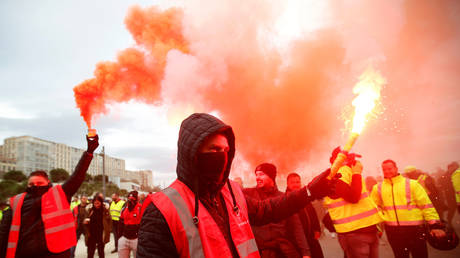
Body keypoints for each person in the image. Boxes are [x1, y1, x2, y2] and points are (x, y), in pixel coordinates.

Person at [137, 113, 334, 257]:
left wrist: (309, 191)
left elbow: (269, 209)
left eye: (226, 150)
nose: (222, 156)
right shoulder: (161, 209)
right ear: (193, 153)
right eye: (214, 149)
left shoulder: (231, 191)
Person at [0, 134, 98, 258]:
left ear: (48, 183)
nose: (35, 186)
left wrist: (89, 152)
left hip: (55, 254)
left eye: (39, 183)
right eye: (31, 184)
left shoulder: (59, 194)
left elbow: (77, 176)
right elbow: (3, 232)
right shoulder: (18, 201)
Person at [370, 159, 446, 258]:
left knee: (420, 255)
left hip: (415, 229)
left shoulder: (412, 184)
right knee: (400, 256)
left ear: (396, 168)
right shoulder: (378, 188)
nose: (387, 171)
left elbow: (426, 205)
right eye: (384, 169)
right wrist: (377, 224)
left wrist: (435, 225)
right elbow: (374, 208)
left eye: (390, 168)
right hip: (392, 230)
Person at [323, 147, 383, 258]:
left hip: (367, 229)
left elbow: (362, 200)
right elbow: (353, 197)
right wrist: (356, 173)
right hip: (354, 232)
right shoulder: (336, 175)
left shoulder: (348, 172)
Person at [244, 164, 310, 258]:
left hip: (282, 251)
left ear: (271, 176)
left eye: (261, 174)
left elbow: (296, 227)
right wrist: (244, 254)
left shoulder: (283, 198)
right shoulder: (247, 195)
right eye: (256, 175)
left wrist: (305, 253)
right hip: (258, 251)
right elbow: (240, 226)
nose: (257, 178)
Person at [286, 172, 324, 258]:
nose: (296, 185)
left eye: (297, 182)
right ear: (287, 184)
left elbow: (312, 214)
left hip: (311, 238)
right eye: (293, 182)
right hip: (296, 242)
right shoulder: (285, 200)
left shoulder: (304, 196)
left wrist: (317, 229)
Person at [118, 191, 142, 258]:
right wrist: (120, 237)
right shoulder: (124, 209)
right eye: (129, 199)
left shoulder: (141, 208)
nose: (131, 201)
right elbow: (120, 223)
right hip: (124, 238)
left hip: (136, 239)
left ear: (137, 199)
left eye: (133, 199)